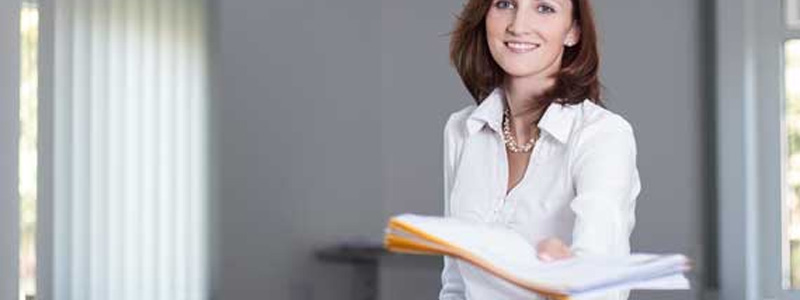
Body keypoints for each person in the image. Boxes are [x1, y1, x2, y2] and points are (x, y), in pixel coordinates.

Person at [441, 0, 640, 299]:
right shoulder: (461, 130)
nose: (518, 25)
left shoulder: (603, 135)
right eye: (505, 3)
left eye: (544, 8)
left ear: (573, 31)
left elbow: (601, 286)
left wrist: (567, 277)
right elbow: (455, 284)